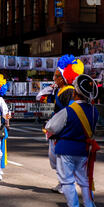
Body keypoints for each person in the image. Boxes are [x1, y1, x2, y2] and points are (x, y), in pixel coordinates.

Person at [45, 74, 99, 207]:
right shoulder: (95, 111)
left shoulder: (69, 110)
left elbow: (51, 127)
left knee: (67, 180)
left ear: (75, 93)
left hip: (66, 148)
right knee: (84, 181)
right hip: (83, 150)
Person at [37, 55, 84, 194]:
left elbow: (71, 111)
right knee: (54, 158)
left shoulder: (69, 91)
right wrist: (50, 88)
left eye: (56, 76)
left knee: (62, 158)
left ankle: (67, 184)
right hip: (55, 129)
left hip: (63, 130)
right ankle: (62, 182)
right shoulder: (58, 90)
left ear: (63, 78)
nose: (54, 78)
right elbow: (39, 97)